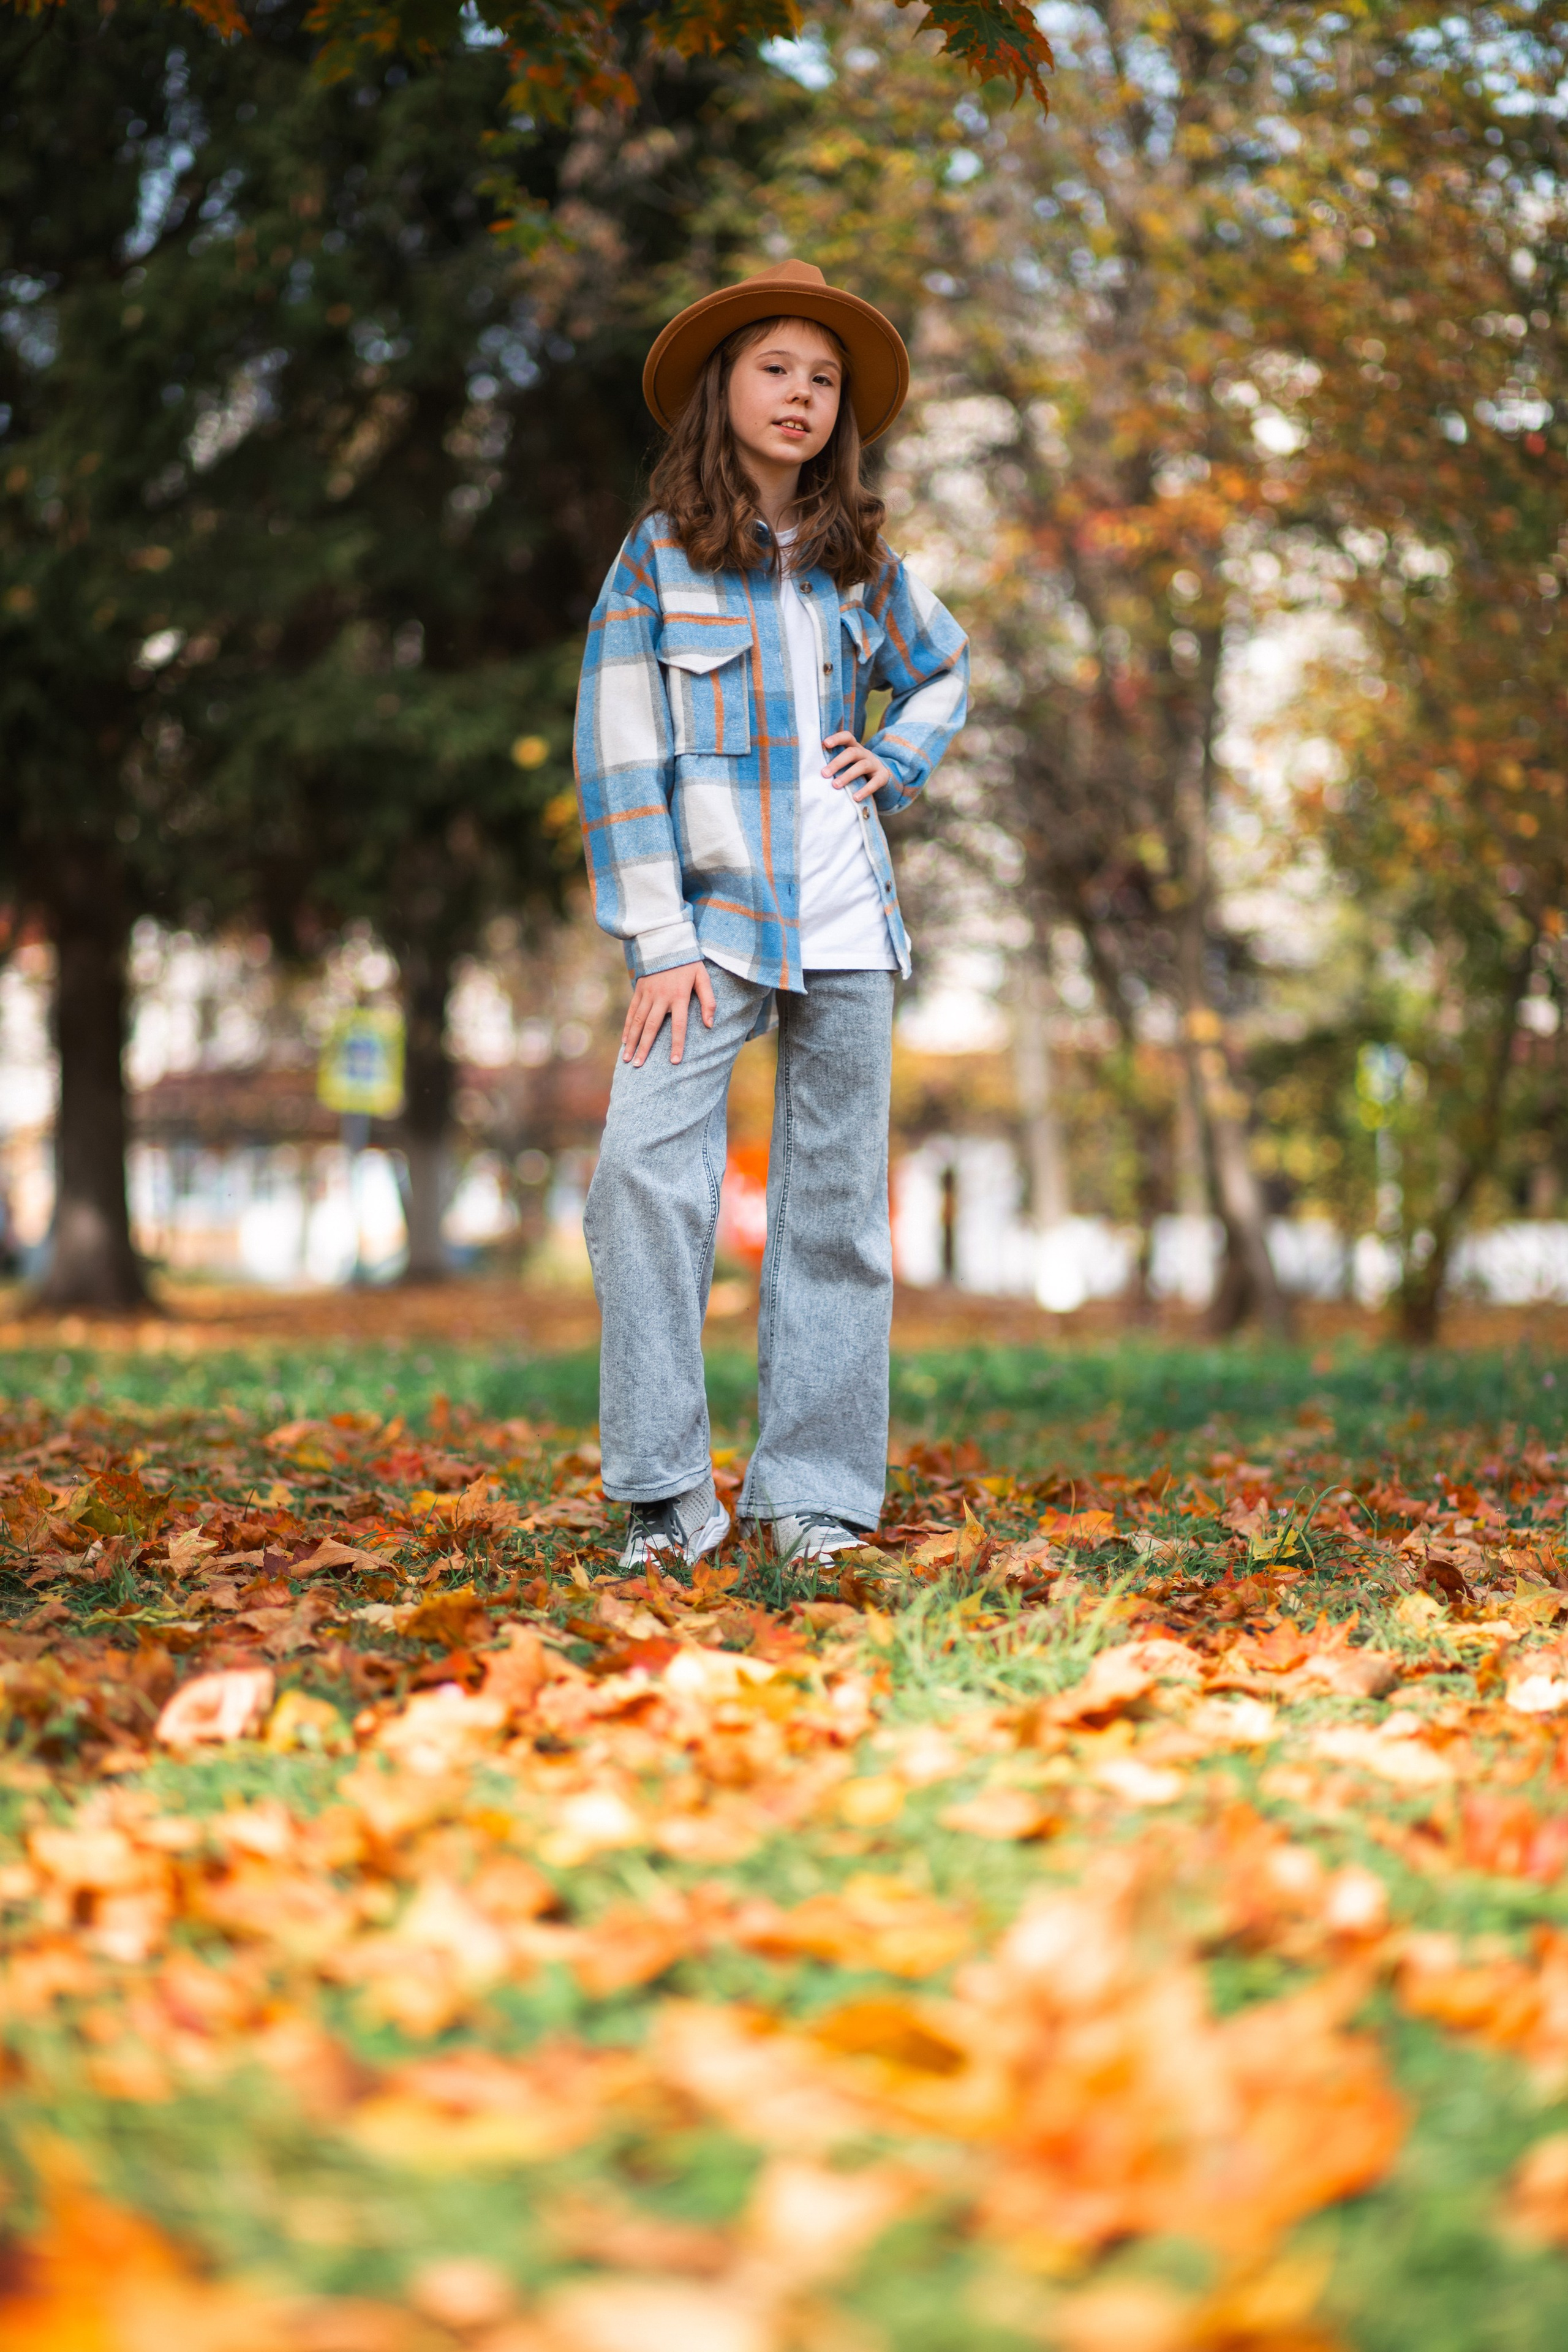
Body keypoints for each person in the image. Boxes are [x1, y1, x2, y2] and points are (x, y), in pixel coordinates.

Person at [573, 258, 968, 1570]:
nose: (799, 396)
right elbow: (618, 753)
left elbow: (941, 674)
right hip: (710, 931)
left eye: (822, 378)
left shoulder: (864, 561)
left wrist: (893, 761)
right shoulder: (657, 560)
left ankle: (809, 1502)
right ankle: (666, 1497)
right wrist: (658, 940)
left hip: (851, 929)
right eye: (774, 369)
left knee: (837, 1214)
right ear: (720, 389)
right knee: (641, 1175)